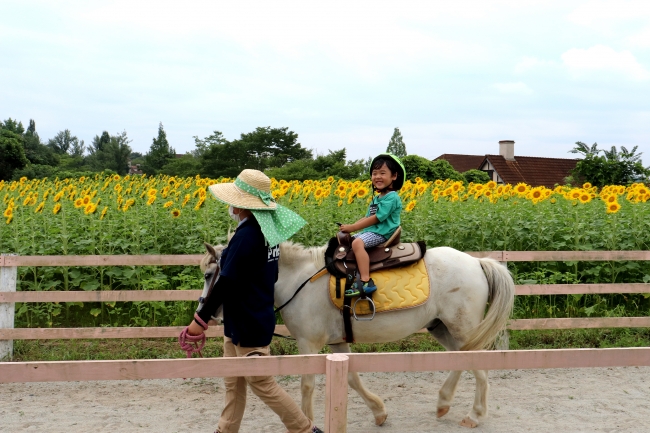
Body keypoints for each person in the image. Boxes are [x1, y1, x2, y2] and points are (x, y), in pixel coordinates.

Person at [182, 169, 323, 433]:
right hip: (246, 318)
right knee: (233, 382)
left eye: (233, 200)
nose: (230, 205)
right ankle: (226, 429)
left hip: (247, 322)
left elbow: (227, 281)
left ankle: (305, 429)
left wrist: (200, 320)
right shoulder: (267, 234)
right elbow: (271, 274)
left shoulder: (247, 236)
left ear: (243, 205)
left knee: (261, 382)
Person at [339, 153, 405, 297]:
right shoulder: (377, 197)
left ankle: (365, 281)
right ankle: (350, 275)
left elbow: (377, 218)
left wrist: (353, 228)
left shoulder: (392, 197)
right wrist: (350, 226)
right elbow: (367, 217)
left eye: (382, 173)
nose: (377, 177)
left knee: (357, 244)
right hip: (373, 230)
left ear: (394, 176)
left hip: (383, 232)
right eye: (374, 173)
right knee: (346, 240)